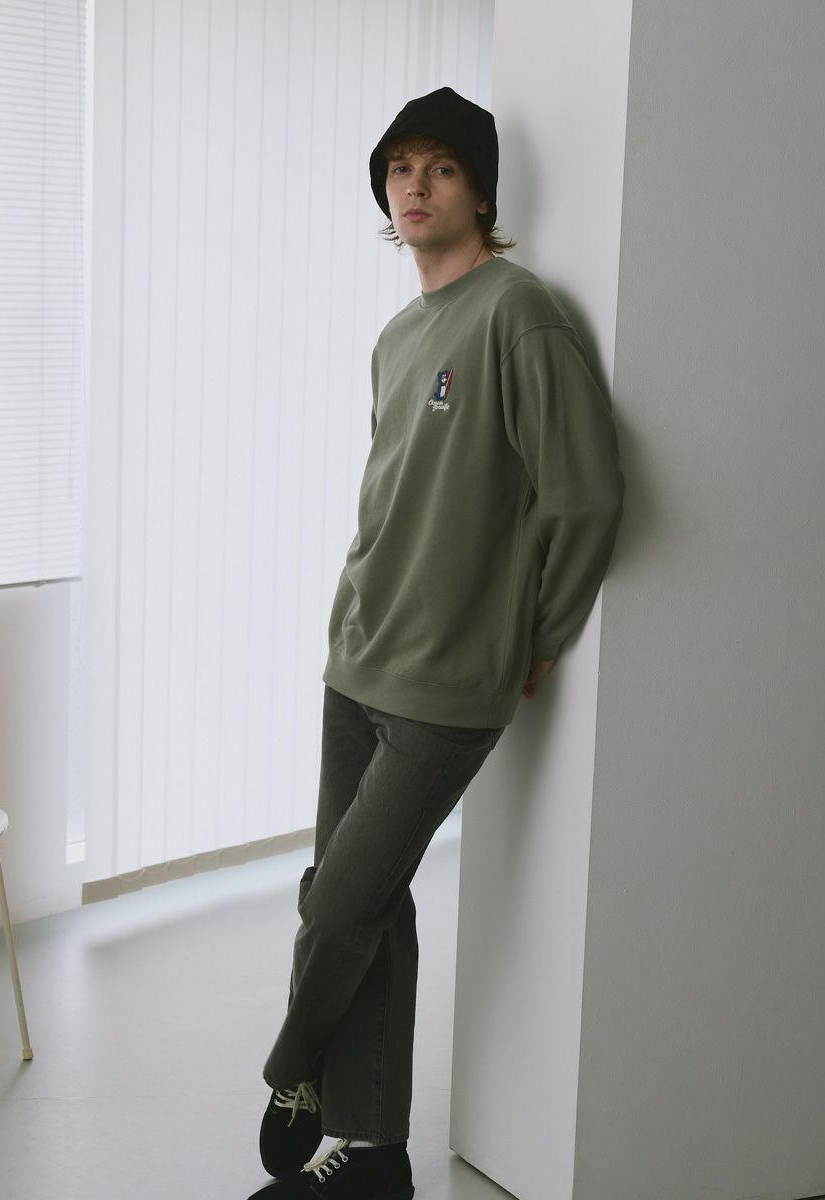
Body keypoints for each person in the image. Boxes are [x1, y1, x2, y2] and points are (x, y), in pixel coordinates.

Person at [247, 86, 624, 1200]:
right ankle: (374, 1158)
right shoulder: (398, 336)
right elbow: (389, 497)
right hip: (357, 657)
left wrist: (541, 631)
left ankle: (292, 1068)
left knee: (339, 904)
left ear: (481, 193)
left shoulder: (519, 313)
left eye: (441, 169)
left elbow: (586, 494)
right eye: (400, 168)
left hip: (448, 683)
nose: (415, 186)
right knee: (371, 902)